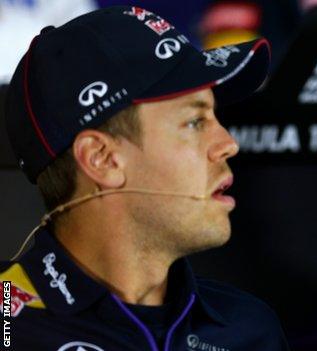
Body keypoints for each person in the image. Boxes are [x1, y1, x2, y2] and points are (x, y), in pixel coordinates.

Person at [1, 6, 288, 350]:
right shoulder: (9, 326)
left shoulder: (249, 329)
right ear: (102, 159)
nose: (228, 144)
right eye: (195, 123)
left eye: (216, 117)